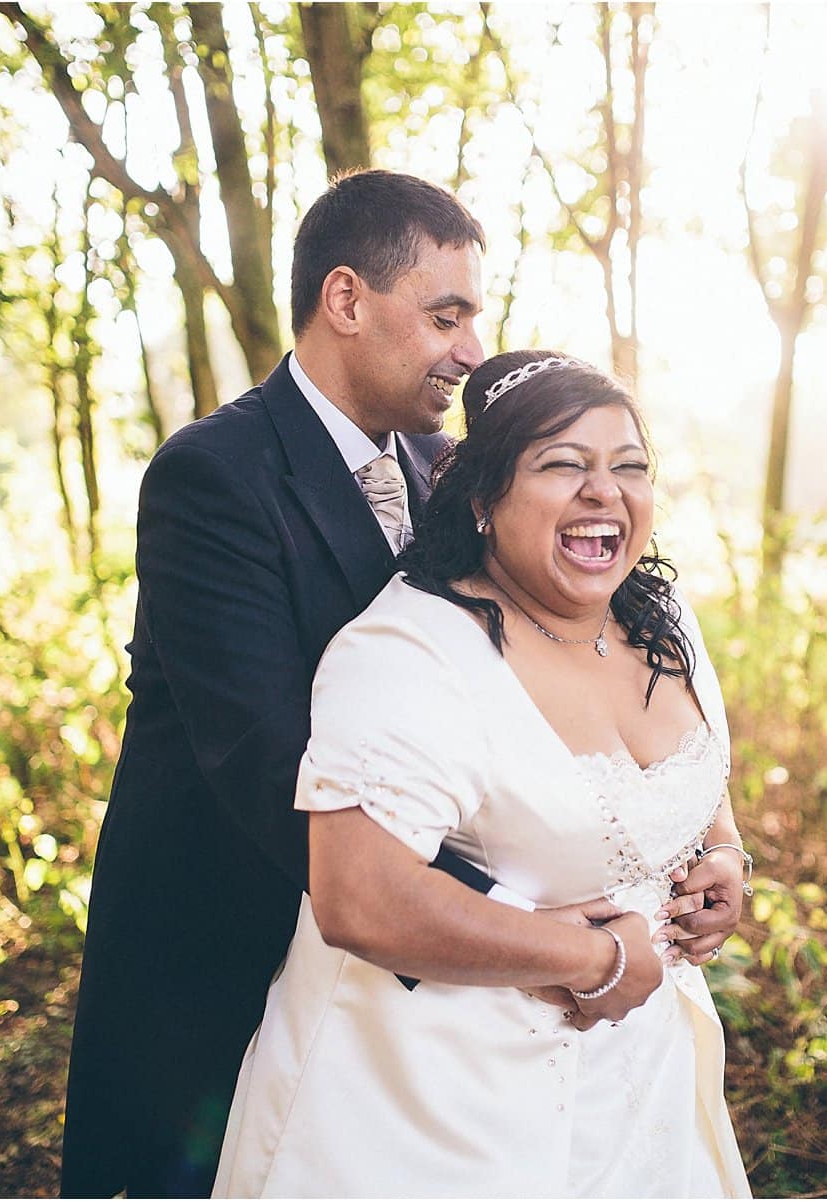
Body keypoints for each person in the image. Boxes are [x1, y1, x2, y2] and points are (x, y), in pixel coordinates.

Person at [60, 174, 744, 1197]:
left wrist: (691, 847)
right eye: (447, 315)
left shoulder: (454, 465)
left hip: (467, 993)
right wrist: (554, 922)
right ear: (346, 301)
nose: (471, 349)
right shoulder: (214, 476)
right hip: (232, 934)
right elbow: (265, 759)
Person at [212, 350, 754, 1197]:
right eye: (562, 465)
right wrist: (596, 959)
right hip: (438, 1107)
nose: (604, 491)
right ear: (481, 497)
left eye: (629, 467)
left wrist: (723, 853)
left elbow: (687, 775)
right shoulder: (410, 653)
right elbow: (358, 896)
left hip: (645, 1081)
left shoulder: (659, 621)